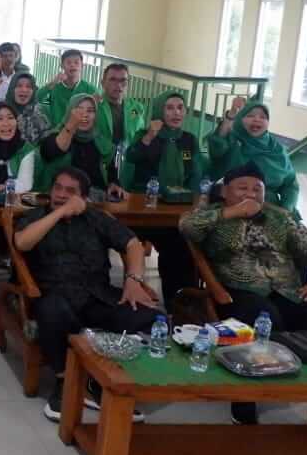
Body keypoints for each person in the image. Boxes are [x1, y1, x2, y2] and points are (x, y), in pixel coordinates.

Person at [180, 163, 307, 429]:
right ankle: (244, 401)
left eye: (257, 189)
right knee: (265, 320)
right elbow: (187, 227)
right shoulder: (212, 215)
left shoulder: (280, 217)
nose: (251, 193)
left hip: (291, 292)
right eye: (242, 188)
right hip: (239, 293)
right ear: (225, 191)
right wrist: (233, 212)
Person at [15, 167, 159, 422]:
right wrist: (60, 212)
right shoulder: (35, 216)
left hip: (97, 295)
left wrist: (133, 280)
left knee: (149, 317)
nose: (61, 194)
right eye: (57, 188)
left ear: (83, 197)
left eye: (69, 191)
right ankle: (66, 381)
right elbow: (22, 242)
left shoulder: (96, 218)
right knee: (52, 311)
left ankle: (103, 378)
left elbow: (132, 244)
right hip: (55, 293)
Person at [121, 90, 202, 300]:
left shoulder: (189, 140)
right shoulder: (145, 134)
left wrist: (191, 200)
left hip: (175, 208)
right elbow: (132, 156)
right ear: (159, 111)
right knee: (133, 241)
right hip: (143, 208)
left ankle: (180, 300)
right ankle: (134, 291)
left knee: (181, 249)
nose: (176, 113)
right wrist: (150, 136)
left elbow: (196, 173)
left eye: (180, 108)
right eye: (169, 108)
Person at [207, 97, 299, 214]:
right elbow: (217, 146)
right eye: (250, 115)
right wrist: (232, 114)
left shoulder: (277, 149)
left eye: (263, 117)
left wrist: (287, 208)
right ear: (240, 119)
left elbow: (290, 184)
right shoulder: (232, 141)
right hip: (231, 206)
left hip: (272, 209)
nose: (257, 119)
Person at [38, 93, 116, 194]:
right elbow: (51, 151)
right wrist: (71, 124)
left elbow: (112, 176)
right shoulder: (55, 137)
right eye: (79, 110)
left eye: (90, 111)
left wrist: (114, 184)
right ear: (69, 112)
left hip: (96, 199)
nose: (85, 114)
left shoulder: (101, 142)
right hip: (62, 198)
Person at [95, 63, 147, 186]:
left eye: (123, 80)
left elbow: (139, 137)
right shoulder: (94, 106)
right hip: (100, 162)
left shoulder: (136, 108)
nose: (118, 85)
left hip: (128, 164)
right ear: (103, 83)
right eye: (112, 80)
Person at [0, 72, 49, 144]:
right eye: (19, 86)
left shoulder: (41, 112)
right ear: (12, 88)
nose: (24, 90)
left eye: (28, 86)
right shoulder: (2, 108)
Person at [36, 48, 97, 126]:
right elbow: (37, 98)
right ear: (62, 66)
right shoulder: (55, 86)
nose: (72, 65)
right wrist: (52, 83)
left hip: (80, 130)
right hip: (57, 130)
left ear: (82, 66)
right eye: (68, 62)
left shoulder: (89, 89)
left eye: (76, 62)